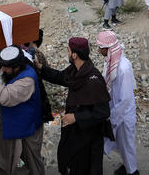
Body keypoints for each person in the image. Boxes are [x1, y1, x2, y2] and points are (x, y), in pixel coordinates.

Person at [37, 37, 111, 175]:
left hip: (88, 137)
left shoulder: (93, 79)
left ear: (74, 55)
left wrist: (76, 117)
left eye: (68, 50)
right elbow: (60, 77)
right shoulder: (75, 70)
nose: (67, 53)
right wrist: (41, 68)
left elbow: (103, 112)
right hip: (76, 132)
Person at [0, 46, 45, 175]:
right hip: (16, 122)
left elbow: (5, 96)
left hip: (29, 126)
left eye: (6, 67)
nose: (3, 70)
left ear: (16, 67)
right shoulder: (15, 70)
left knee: (32, 160)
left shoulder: (27, 80)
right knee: (3, 156)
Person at [97, 31, 138, 175]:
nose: (98, 50)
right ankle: (127, 166)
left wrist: (112, 116)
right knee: (120, 144)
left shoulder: (123, 68)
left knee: (127, 145)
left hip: (123, 113)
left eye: (100, 47)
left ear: (108, 49)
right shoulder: (112, 61)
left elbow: (125, 98)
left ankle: (132, 171)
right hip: (115, 109)